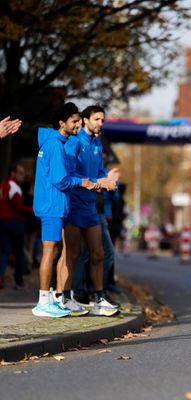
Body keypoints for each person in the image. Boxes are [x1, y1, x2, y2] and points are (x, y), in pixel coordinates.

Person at [32, 102, 98, 317]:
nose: (78, 124)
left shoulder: (56, 142)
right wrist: (82, 183)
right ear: (62, 123)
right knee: (49, 252)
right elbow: (60, 180)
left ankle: (49, 297)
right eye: (74, 121)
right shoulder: (55, 145)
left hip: (54, 205)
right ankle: (43, 301)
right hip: (52, 205)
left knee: (54, 251)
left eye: (79, 120)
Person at [57, 104, 118, 317]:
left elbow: (99, 171)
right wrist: (98, 181)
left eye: (103, 120)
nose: (101, 124)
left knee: (98, 254)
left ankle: (99, 299)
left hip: (91, 206)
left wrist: (108, 178)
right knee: (71, 254)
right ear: (85, 120)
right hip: (74, 205)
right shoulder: (74, 142)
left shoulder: (97, 144)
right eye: (97, 119)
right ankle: (64, 297)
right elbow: (69, 175)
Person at [0, 162, 33, 289]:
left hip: (2, 223)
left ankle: (1, 278)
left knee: (4, 252)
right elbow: (18, 206)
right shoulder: (14, 187)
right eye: (20, 173)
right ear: (12, 173)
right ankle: (19, 281)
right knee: (19, 253)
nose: (22, 176)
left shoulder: (2, 186)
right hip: (15, 223)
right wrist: (32, 210)